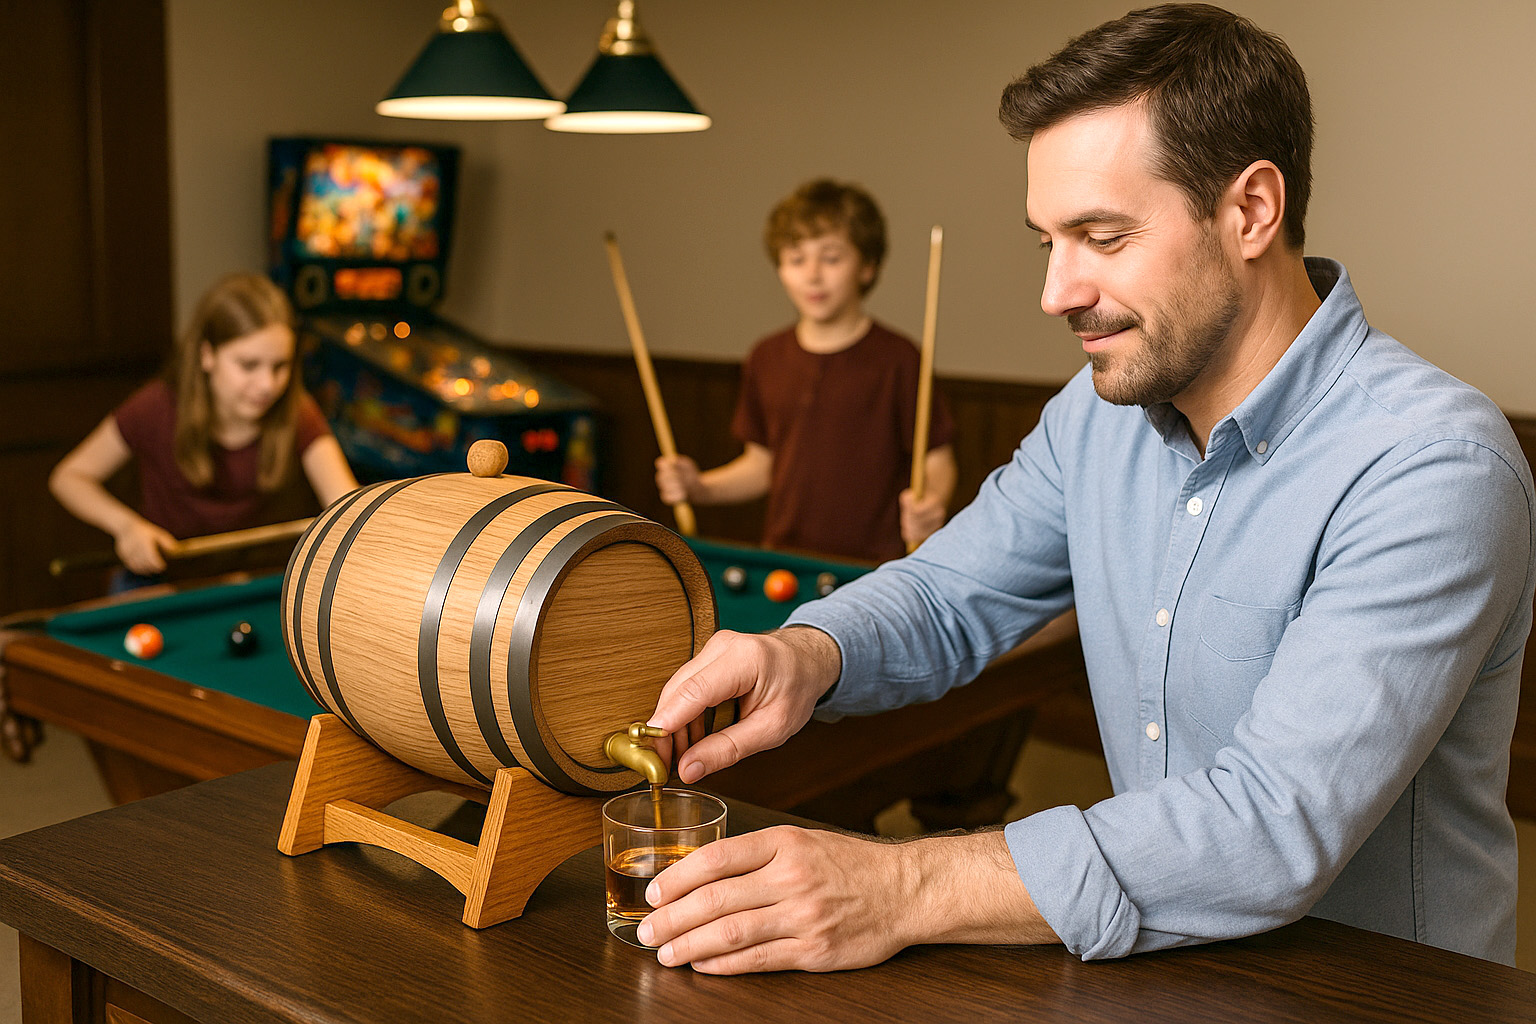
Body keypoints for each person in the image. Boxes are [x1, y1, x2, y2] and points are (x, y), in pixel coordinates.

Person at [636, 3, 1535, 975]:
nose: (1055, 292)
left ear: (1251, 211)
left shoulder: (1433, 464)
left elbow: (1272, 825)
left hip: (1377, 997)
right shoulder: (1094, 413)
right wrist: (809, 652)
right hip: (1149, 973)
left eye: (1101, 237)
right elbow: (948, 592)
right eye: (1046, 242)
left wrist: (899, 886)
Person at [654, 179, 958, 563]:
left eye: (831, 258)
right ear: (780, 269)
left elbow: (937, 460)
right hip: (784, 562)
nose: (813, 275)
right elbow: (762, 465)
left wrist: (931, 501)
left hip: (875, 568)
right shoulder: (766, 356)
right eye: (796, 259)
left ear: (867, 266)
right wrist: (700, 487)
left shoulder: (899, 359)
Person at [50, 272, 358, 588]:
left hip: (248, 583)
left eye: (280, 366)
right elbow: (69, 478)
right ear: (207, 355)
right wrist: (126, 526)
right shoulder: (157, 406)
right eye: (249, 365)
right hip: (157, 581)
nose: (267, 385)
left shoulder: (295, 409)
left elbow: (349, 505)